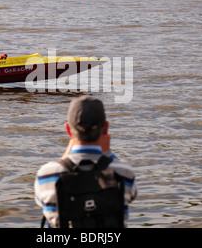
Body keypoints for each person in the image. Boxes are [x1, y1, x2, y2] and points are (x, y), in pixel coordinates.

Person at [34, 96, 138, 228]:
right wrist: (107, 154)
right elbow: (132, 195)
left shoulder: (46, 174)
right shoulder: (123, 172)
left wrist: (63, 160)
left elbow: (41, 201)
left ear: (67, 129)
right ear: (105, 128)